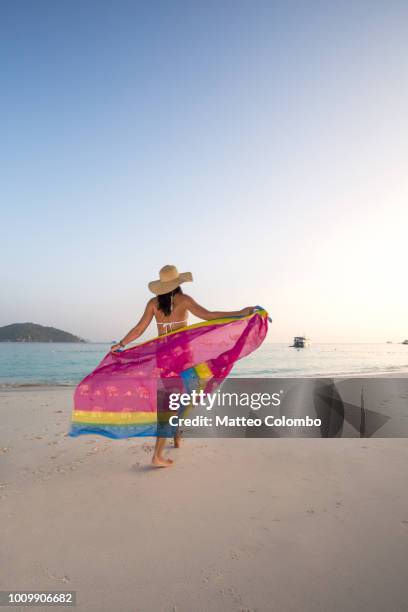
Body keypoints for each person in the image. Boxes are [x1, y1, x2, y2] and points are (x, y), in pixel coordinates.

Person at [110, 265, 254, 467]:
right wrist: (240, 313)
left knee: (175, 398)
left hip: (164, 359)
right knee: (179, 399)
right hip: (184, 358)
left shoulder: (153, 303)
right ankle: (157, 455)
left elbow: (139, 328)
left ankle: (177, 436)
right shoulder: (184, 300)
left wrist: (122, 343)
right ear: (178, 284)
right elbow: (210, 315)